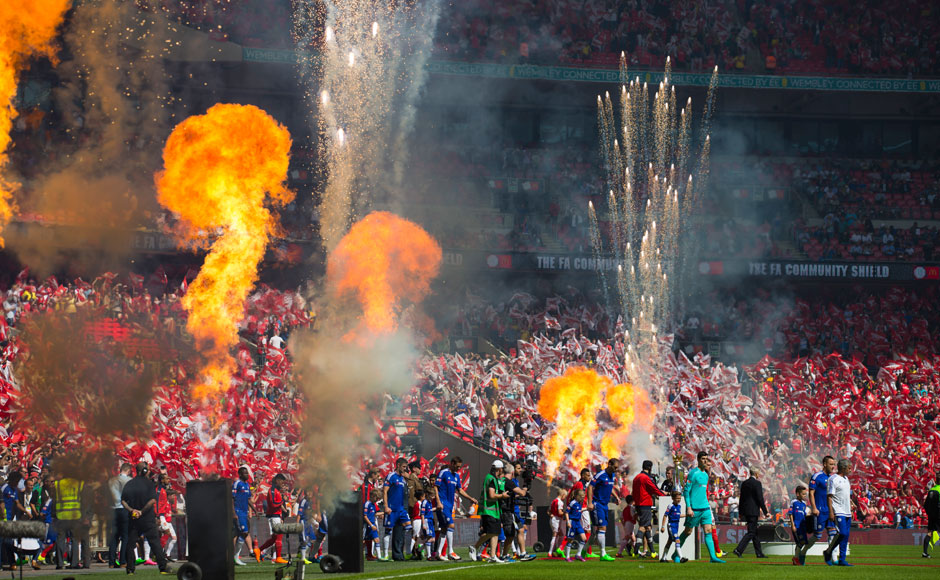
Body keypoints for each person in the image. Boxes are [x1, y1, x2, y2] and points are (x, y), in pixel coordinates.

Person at [121, 462, 172, 575]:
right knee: (155, 543)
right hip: (147, 518)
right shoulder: (149, 484)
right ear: (144, 471)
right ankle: (163, 568)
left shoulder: (129, 483)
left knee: (130, 544)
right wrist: (142, 511)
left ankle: (130, 570)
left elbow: (123, 501)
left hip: (133, 519)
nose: (149, 471)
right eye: (148, 470)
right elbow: (153, 500)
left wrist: (132, 510)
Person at [676, 451, 724, 563]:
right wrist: (688, 507)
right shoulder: (693, 473)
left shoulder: (706, 475)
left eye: (706, 459)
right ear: (698, 460)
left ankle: (713, 557)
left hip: (705, 508)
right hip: (694, 509)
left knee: (708, 530)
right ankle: (676, 555)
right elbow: (686, 491)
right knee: (688, 532)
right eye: (703, 459)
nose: (705, 461)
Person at [434, 456, 477, 561]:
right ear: (452, 463)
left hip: (449, 504)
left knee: (444, 528)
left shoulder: (456, 476)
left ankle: (439, 553)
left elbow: (460, 490)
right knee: (451, 525)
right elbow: (436, 486)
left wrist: (470, 498)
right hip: (443, 503)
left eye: (460, 467)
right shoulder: (444, 472)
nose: (459, 468)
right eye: (457, 466)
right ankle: (450, 551)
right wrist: (438, 502)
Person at [467, 460, 509, 563]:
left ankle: (493, 556)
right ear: (499, 469)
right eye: (502, 469)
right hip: (489, 510)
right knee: (492, 532)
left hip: (492, 511)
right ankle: (474, 547)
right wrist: (502, 496)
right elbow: (491, 495)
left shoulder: (490, 478)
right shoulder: (491, 479)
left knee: (495, 533)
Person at [53, 474, 90, 570]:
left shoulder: (57, 484)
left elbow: (54, 501)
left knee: (60, 539)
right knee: (74, 540)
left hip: (61, 515)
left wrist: (54, 514)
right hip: (75, 515)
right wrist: (84, 515)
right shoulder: (79, 484)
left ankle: (60, 563)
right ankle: (74, 563)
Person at [587, 457, 620, 561]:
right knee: (602, 528)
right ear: (609, 464)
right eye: (615, 467)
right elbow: (590, 487)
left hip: (605, 505)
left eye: (617, 468)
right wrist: (590, 502)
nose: (616, 470)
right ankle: (603, 554)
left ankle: (582, 552)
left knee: (595, 532)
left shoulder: (612, 475)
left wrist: (617, 497)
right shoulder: (600, 475)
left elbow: (610, 488)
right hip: (598, 504)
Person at [733, 467, 769, 558]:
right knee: (751, 532)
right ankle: (738, 549)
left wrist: (741, 512)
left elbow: (742, 498)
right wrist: (765, 512)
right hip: (753, 511)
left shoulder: (744, 483)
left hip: (746, 510)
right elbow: (760, 498)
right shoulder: (757, 483)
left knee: (754, 532)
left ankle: (759, 553)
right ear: (756, 474)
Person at [632, 459, 665, 558]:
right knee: (643, 526)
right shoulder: (646, 478)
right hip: (645, 504)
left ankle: (653, 551)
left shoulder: (636, 477)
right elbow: (654, 488)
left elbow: (634, 491)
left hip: (638, 504)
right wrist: (663, 495)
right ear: (650, 468)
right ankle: (636, 550)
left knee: (648, 527)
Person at [805, 455, 837, 558]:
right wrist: (814, 508)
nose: (833, 467)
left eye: (834, 464)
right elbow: (811, 493)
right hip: (820, 511)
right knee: (817, 536)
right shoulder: (817, 476)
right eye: (831, 464)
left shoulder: (832, 478)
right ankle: (802, 552)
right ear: (824, 464)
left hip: (830, 511)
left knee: (833, 534)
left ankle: (833, 558)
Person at [824, 458, 853, 566]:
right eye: (849, 468)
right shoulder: (833, 479)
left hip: (847, 512)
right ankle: (828, 552)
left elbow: (845, 496)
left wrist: (850, 509)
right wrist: (831, 512)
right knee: (842, 533)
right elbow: (829, 496)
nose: (850, 470)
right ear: (843, 468)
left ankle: (842, 559)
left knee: (846, 536)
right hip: (838, 511)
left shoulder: (846, 479)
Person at [255, 474, 289, 564]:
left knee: (274, 538)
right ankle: (278, 557)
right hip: (274, 516)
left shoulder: (275, 490)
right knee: (279, 537)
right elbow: (273, 504)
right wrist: (282, 500)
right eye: (281, 481)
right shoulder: (273, 490)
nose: (282, 483)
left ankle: (259, 550)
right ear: (277, 480)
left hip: (276, 516)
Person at [383, 458, 412, 561]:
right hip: (392, 509)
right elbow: (385, 491)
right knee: (388, 531)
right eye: (404, 467)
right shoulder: (391, 476)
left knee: (409, 529)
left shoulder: (402, 479)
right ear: (398, 465)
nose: (405, 469)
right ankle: (386, 554)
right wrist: (386, 506)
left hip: (401, 509)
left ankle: (406, 552)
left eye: (406, 467)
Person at [108, 463, 132, 569]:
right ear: (128, 471)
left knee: (114, 537)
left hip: (113, 509)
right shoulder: (129, 481)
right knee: (125, 536)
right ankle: (123, 561)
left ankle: (111, 562)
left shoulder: (111, 481)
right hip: (124, 509)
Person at [232, 466, 255, 566]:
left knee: (243, 533)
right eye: (245, 473)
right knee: (244, 532)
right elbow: (231, 498)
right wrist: (233, 512)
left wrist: (255, 510)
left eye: (247, 473)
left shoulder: (247, 485)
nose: (247, 475)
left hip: (244, 512)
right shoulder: (237, 483)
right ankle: (235, 557)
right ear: (240, 474)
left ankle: (235, 557)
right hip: (238, 511)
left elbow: (248, 499)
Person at [564, 487, 588, 561]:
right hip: (572, 522)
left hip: (578, 522)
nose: (582, 498)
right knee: (570, 539)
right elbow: (566, 512)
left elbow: (579, 510)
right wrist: (568, 522)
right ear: (577, 496)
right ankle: (567, 557)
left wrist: (587, 508)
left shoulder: (579, 504)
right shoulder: (572, 503)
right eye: (581, 497)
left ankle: (578, 554)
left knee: (584, 538)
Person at [660, 491, 683, 562]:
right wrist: (663, 526)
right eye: (677, 498)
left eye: (680, 498)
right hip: (671, 525)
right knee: (677, 539)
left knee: (669, 541)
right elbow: (665, 515)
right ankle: (681, 557)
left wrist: (687, 515)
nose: (679, 500)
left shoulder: (679, 506)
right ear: (673, 498)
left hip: (676, 525)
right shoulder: (670, 506)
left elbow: (678, 515)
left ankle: (663, 558)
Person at [789, 485, 810, 565]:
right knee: (800, 542)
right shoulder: (793, 502)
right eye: (803, 494)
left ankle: (796, 558)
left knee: (802, 542)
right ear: (798, 494)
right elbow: (790, 514)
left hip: (803, 526)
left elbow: (804, 514)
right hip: (796, 526)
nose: (805, 496)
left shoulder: (804, 504)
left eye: (805, 494)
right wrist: (793, 525)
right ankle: (796, 558)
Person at [922, 470, 940, 558]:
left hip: (931, 515)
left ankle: (925, 553)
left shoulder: (931, 490)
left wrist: (929, 513)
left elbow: (925, 505)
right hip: (938, 514)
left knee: (929, 533)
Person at [364, 489, 382, 561]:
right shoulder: (367, 504)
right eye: (376, 498)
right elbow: (365, 516)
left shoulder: (373, 504)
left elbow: (374, 514)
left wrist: (383, 513)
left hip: (372, 524)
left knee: (370, 540)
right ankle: (379, 557)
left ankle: (370, 555)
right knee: (374, 540)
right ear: (372, 496)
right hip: (368, 525)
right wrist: (371, 525)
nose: (377, 500)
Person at [548, 488, 566, 557]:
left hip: (553, 519)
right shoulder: (560, 502)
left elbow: (548, 511)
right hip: (557, 520)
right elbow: (559, 512)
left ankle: (558, 550)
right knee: (555, 535)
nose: (564, 498)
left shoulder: (553, 501)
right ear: (562, 495)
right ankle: (550, 552)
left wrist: (551, 514)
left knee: (561, 534)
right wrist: (566, 513)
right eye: (565, 496)